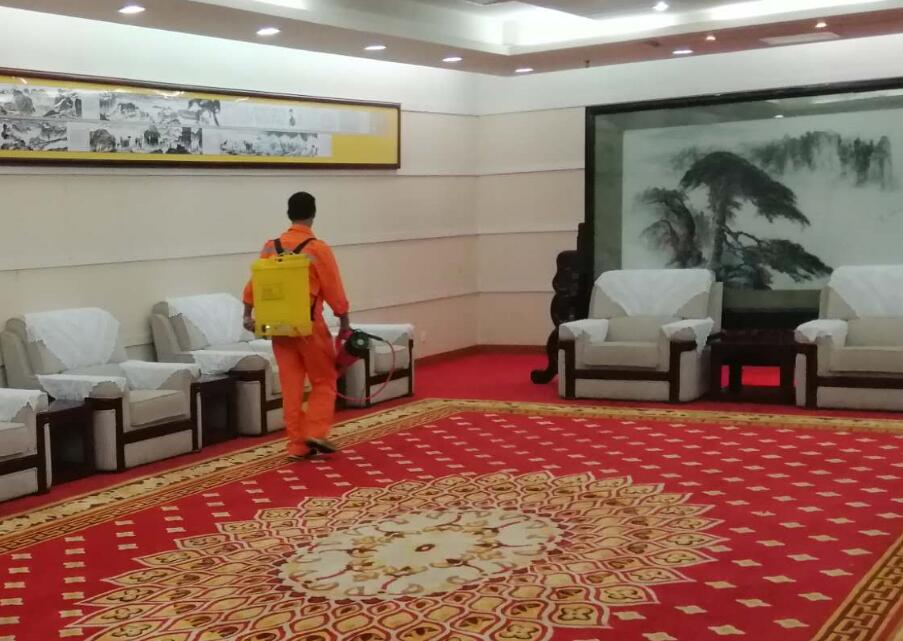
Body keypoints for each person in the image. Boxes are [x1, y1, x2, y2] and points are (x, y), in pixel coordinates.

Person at [242, 191, 350, 460]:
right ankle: (316, 431)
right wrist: (344, 319)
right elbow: (333, 287)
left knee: (291, 388)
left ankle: (297, 445)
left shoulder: (271, 246)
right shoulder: (317, 248)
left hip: (279, 329)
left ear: (288, 214)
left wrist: (247, 314)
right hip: (309, 327)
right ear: (313, 214)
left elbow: (255, 283)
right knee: (324, 379)